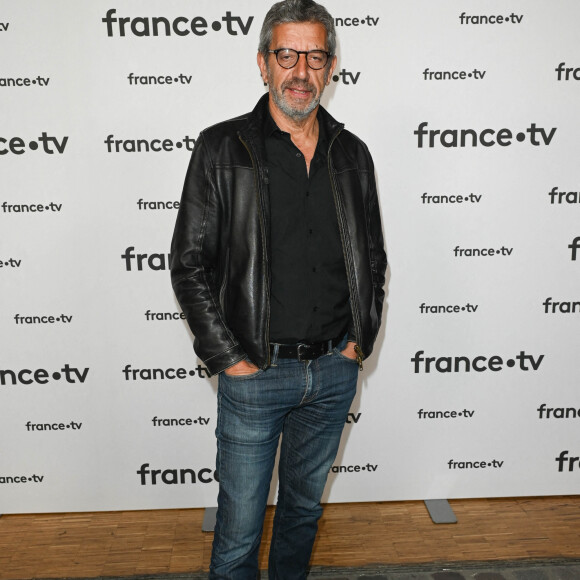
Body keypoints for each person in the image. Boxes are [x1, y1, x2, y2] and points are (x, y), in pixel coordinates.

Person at [170, 0, 387, 577]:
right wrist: (229, 359)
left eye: (315, 57)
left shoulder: (352, 154)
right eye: (287, 54)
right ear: (263, 63)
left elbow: (372, 257)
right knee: (239, 532)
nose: (301, 71)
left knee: (301, 516)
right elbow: (188, 262)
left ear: (332, 67)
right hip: (255, 375)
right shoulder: (222, 149)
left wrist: (354, 345)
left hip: (334, 371)